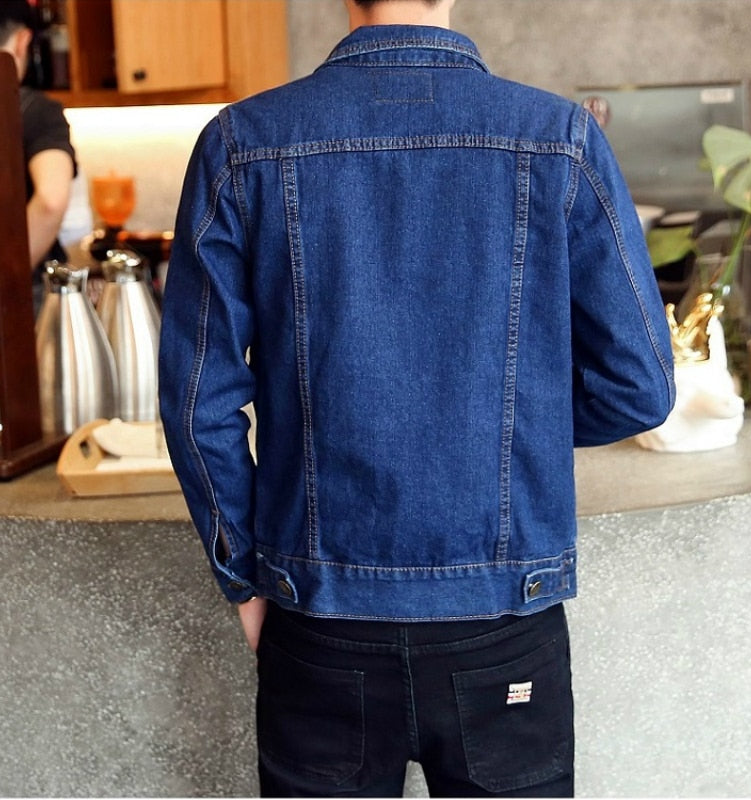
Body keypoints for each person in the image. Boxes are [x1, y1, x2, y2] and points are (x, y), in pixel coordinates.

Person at [159, 0, 675, 795]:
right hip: (503, 618)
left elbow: (198, 407)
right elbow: (639, 388)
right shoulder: (559, 138)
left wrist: (247, 582)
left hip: (317, 620)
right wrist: (497, 419)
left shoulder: (242, 143)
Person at [0, 0, 75, 300]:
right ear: (22, 41)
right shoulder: (35, 110)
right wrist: (1, 277)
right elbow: (51, 200)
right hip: (20, 302)